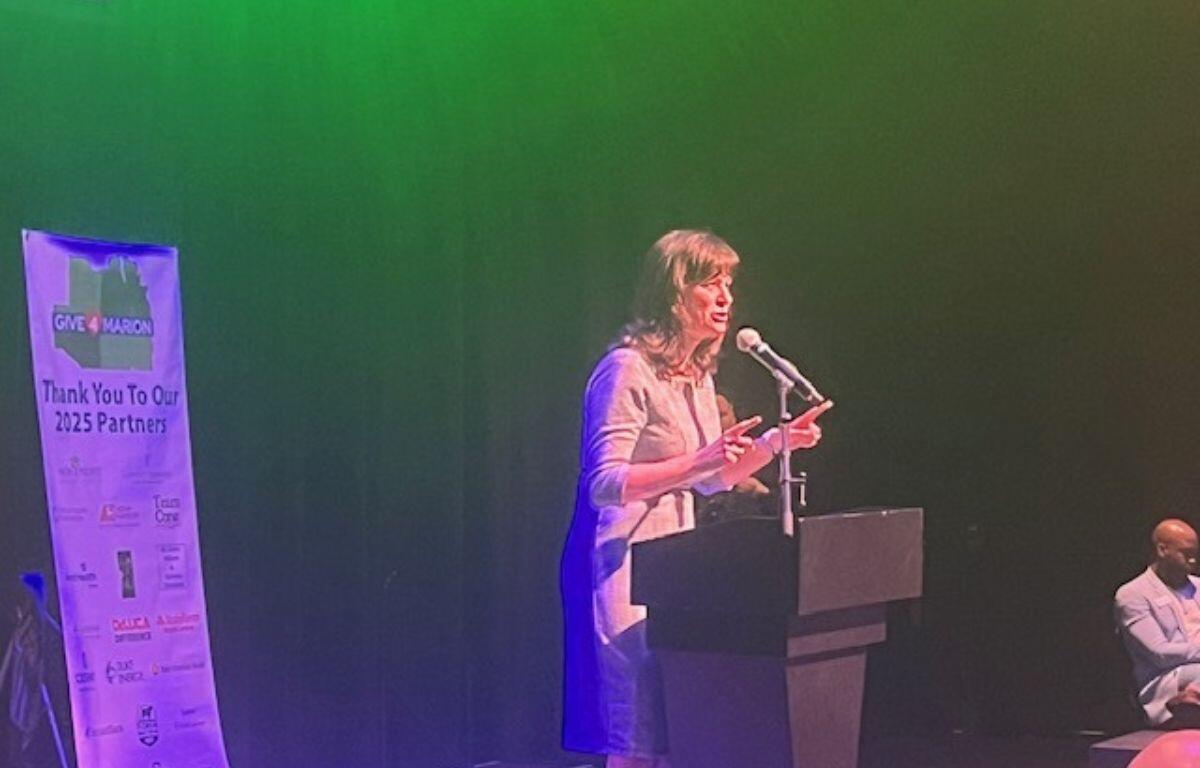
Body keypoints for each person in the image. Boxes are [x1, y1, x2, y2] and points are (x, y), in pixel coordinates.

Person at [560, 230, 833, 767]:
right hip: (623, 566)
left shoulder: (696, 378)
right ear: (675, 292)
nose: (727, 297)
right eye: (712, 283)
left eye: (729, 283)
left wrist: (776, 444)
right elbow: (604, 483)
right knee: (636, 732)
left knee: (677, 726)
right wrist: (697, 463)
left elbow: (714, 477)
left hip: (678, 571)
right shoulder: (626, 369)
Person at [1115, 519, 1200, 726]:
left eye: (1195, 554)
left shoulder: (1198, 586)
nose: (1192, 561)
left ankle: (1194, 694)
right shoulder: (1133, 594)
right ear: (1162, 550)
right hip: (1165, 678)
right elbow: (1159, 653)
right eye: (1185, 554)